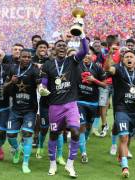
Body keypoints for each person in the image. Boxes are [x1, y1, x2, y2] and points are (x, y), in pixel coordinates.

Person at [39, 27, 88, 177]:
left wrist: (82, 34)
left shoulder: (71, 61)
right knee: (54, 134)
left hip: (71, 104)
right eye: (58, 45)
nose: (61, 47)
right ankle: (52, 163)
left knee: (75, 132)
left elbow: (85, 50)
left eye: (63, 45)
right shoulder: (48, 64)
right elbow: (45, 80)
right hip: (54, 105)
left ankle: (70, 164)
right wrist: (43, 87)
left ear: (67, 48)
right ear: (53, 48)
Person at [105, 49, 135, 178]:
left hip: (134, 112)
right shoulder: (118, 70)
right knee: (123, 137)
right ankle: (125, 167)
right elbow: (109, 68)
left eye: (131, 57)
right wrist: (109, 55)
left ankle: (121, 155)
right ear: (123, 60)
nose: (129, 58)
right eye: (126, 57)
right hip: (121, 109)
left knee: (128, 138)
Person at [6, 49, 40, 173]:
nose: (26, 59)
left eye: (28, 57)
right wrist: (11, 82)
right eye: (24, 57)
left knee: (27, 135)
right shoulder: (12, 69)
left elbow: (39, 84)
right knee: (10, 136)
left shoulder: (35, 70)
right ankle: (17, 148)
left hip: (30, 109)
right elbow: (5, 87)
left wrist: (40, 86)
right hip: (15, 109)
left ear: (31, 58)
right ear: (19, 57)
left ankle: (25, 163)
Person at [77, 47, 106, 163]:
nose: (86, 56)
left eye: (88, 54)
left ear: (92, 56)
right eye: (84, 54)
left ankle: (84, 139)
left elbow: (104, 85)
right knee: (81, 126)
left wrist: (94, 80)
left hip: (93, 102)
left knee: (88, 126)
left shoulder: (98, 68)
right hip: (79, 101)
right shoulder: (76, 66)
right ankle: (84, 153)